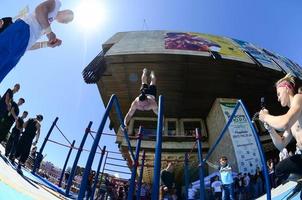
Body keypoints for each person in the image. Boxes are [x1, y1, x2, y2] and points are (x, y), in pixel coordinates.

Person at [0, 0, 74, 82]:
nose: (66, 22)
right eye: (68, 18)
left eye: (67, 22)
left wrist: (46, 44)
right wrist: (49, 32)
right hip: (22, 30)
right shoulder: (56, 4)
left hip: (22, 48)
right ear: (66, 11)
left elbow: (30, 45)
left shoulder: (46, 24)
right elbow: (40, 9)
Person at [259, 73, 302, 185]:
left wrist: (266, 117)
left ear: (287, 88)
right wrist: (270, 129)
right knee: (279, 169)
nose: (278, 98)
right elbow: (281, 145)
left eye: (278, 94)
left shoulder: (299, 98)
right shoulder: (291, 117)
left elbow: (284, 123)